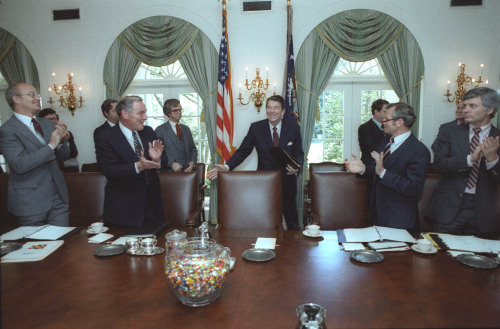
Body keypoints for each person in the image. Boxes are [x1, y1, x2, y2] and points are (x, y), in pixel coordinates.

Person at [208, 95, 304, 229]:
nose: (272, 111)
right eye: (269, 107)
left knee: (292, 223)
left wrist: (296, 167)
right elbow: (243, 151)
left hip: (287, 182)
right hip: (264, 183)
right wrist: (227, 166)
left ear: (282, 111)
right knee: (265, 222)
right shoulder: (256, 128)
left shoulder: (293, 128)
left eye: (276, 108)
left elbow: (299, 154)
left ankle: (293, 249)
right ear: (266, 110)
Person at [345, 102, 430, 232]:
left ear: (399, 122)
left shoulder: (419, 151)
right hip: (377, 215)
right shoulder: (386, 141)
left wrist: (384, 173)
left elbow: (413, 187)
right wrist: (363, 168)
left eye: (386, 119)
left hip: (399, 221)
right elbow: (377, 169)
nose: (383, 121)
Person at [427, 87, 500, 236]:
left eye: (472, 106)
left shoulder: (497, 137)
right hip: (448, 207)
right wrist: (470, 159)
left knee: (478, 256)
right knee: (442, 255)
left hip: (483, 211)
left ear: (489, 110)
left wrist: (493, 159)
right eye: (465, 105)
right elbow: (438, 164)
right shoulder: (450, 132)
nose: (465, 110)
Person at [0, 83, 70, 226]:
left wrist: (62, 140)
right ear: (16, 99)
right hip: (30, 201)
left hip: (58, 196)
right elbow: (20, 165)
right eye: (32, 95)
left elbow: (62, 157)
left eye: (37, 95)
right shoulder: (7, 130)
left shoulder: (47, 124)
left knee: (62, 243)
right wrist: (51, 145)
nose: (37, 98)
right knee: (37, 246)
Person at [95, 96, 167, 227]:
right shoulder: (106, 137)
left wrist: (156, 159)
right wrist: (137, 166)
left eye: (145, 112)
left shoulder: (148, 132)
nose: (145, 117)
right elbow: (109, 170)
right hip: (124, 210)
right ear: (125, 114)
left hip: (152, 207)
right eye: (140, 113)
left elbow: (160, 161)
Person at [155, 99, 197, 172]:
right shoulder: (160, 130)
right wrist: (171, 163)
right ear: (168, 113)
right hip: (169, 174)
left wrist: (192, 162)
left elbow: (193, 148)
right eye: (175, 110)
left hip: (187, 173)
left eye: (180, 110)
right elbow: (158, 152)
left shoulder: (186, 129)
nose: (179, 113)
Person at [358, 99, 389, 165]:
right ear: (376, 112)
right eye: (385, 112)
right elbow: (373, 149)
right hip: (369, 167)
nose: (387, 115)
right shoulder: (365, 128)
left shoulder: (388, 127)